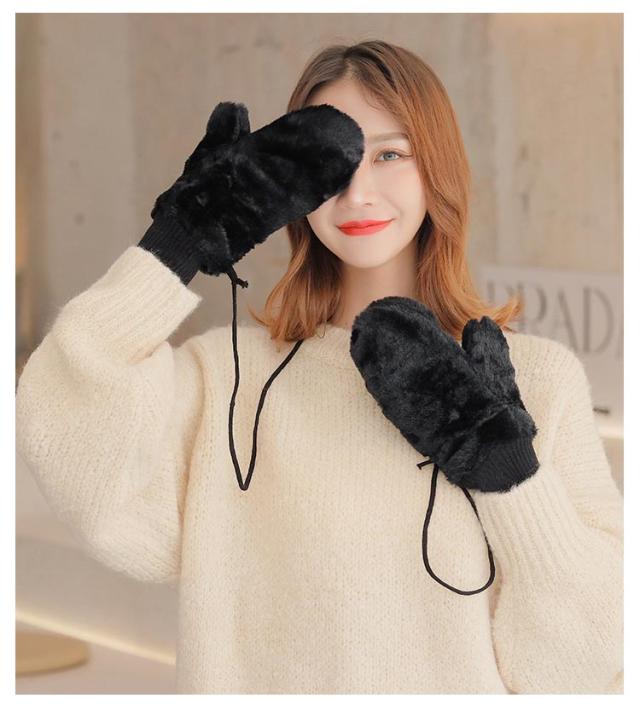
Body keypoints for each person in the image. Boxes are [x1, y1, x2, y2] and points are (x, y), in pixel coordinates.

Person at [15, 39, 623, 694]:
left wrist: (509, 477)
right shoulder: (226, 378)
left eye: (390, 154)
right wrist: (178, 242)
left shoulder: (536, 381)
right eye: (338, 164)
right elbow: (68, 435)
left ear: (436, 167)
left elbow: (581, 665)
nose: (357, 193)